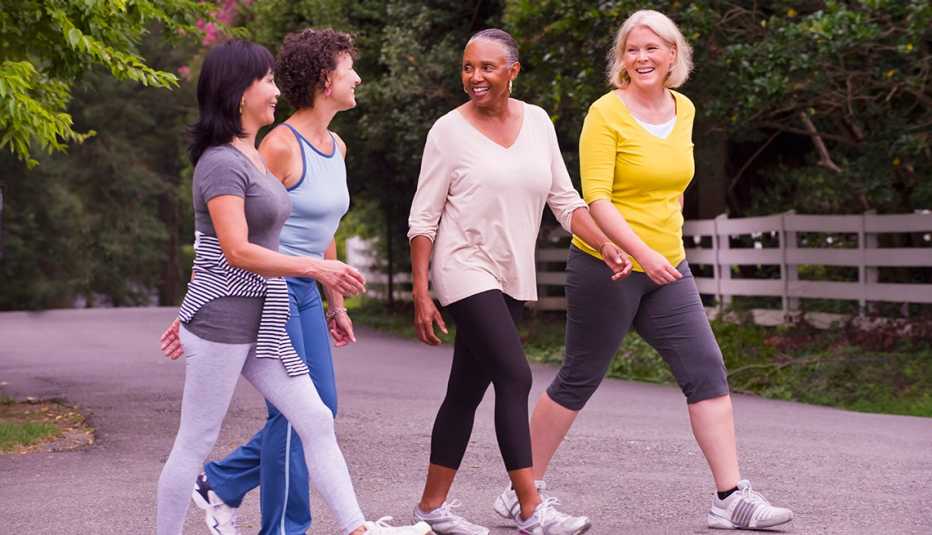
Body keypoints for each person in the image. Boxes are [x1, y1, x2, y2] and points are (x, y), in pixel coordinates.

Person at [491, 10, 794, 531]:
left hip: (666, 267)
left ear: (674, 54)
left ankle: (730, 497)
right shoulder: (605, 113)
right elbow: (598, 200)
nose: (643, 58)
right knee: (579, 377)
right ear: (621, 59)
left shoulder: (686, 109)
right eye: (632, 50)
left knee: (705, 369)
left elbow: (673, 183)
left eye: (653, 48)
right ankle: (524, 491)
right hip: (607, 267)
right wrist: (639, 253)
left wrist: (664, 245)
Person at [155, 38, 429, 535]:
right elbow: (232, 249)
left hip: (264, 321)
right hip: (222, 326)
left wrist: (327, 292)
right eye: (267, 81)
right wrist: (316, 271)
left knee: (316, 419)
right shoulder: (221, 162)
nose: (277, 90)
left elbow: (237, 242)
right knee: (195, 441)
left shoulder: (251, 158)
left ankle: (357, 528)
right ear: (240, 92)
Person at [407, 29, 631, 535]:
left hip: (511, 271)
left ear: (513, 70)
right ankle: (531, 507)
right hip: (462, 264)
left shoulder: (538, 122)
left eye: (486, 67)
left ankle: (431, 507)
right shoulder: (447, 131)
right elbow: (423, 219)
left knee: (465, 390)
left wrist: (607, 243)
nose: (474, 77)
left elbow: (565, 200)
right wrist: (422, 291)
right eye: (467, 67)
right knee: (515, 375)